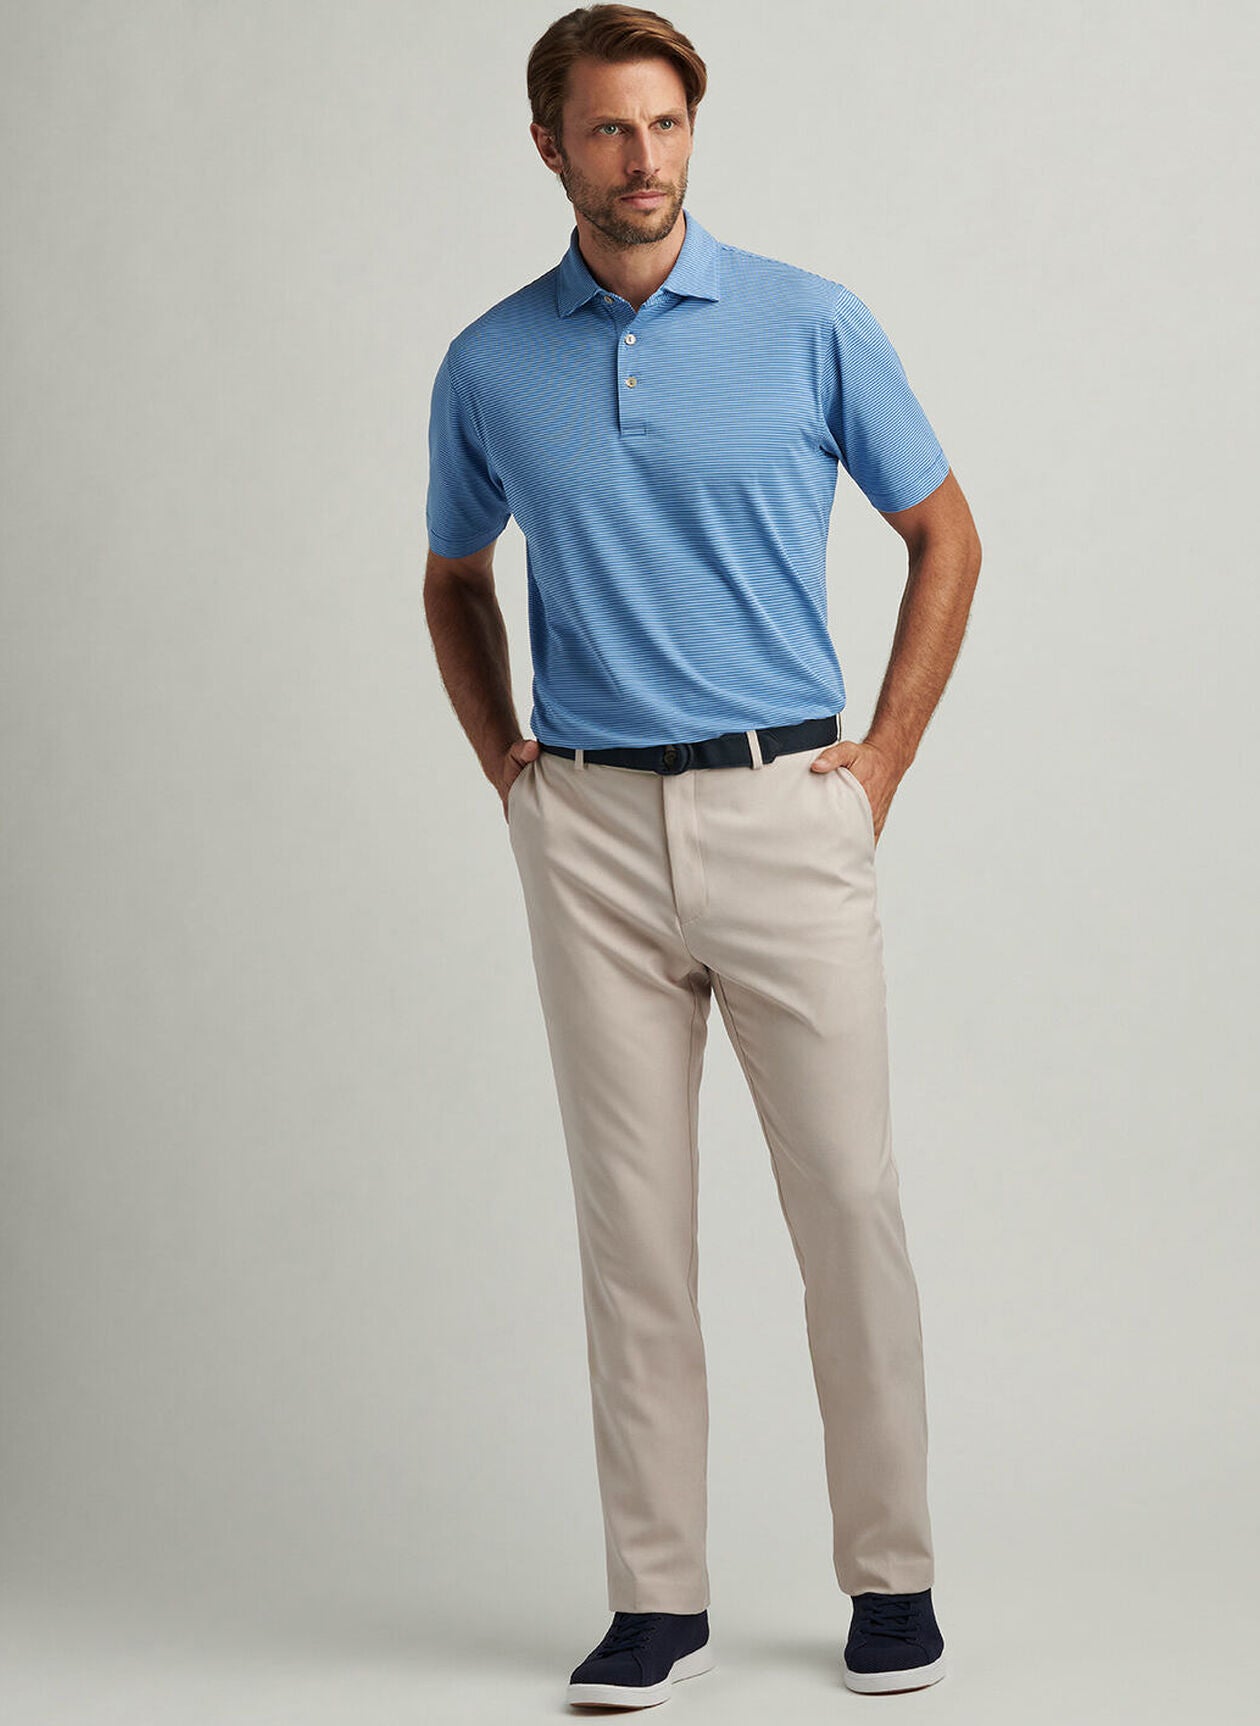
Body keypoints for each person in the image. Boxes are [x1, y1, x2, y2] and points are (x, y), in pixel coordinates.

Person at [424, 3, 981, 1706]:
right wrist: (509, 768)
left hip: (783, 806)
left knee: (849, 1203)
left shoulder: (810, 322)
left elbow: (945, 535)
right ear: (550, 148)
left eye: (664, 125)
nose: (642, 159)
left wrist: (880, 764)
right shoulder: (490, 362)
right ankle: (656, 1598)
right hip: (589, 828)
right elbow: (452, 576)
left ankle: (892, 1577)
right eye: (607, 129)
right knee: (633, 1231)